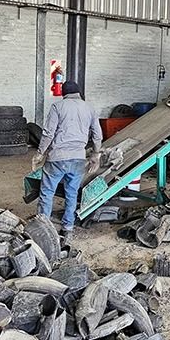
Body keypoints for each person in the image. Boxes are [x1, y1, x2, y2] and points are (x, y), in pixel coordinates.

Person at [33, 81, 103, 237]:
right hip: (78, 158)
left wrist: (40, 153)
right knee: (71, 194)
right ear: (78, 93)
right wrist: (95, 155)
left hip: (57, 158)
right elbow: (97, 134)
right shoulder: (89, 108)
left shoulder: (57, 107)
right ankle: (68, 228)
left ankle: (43, 229)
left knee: (47, 193)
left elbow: (48, 133)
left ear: (63, 94)